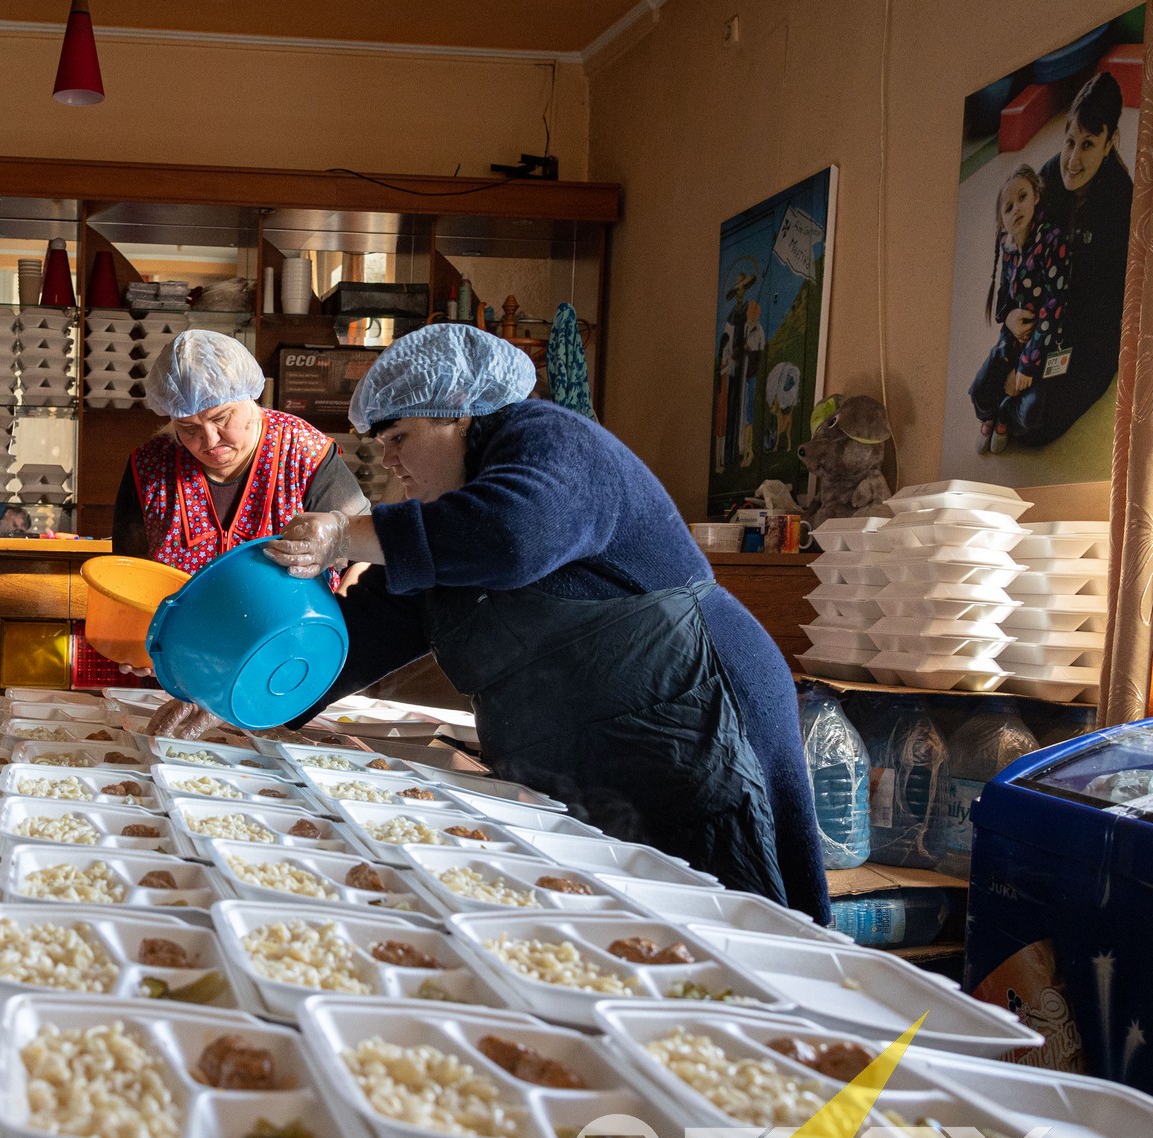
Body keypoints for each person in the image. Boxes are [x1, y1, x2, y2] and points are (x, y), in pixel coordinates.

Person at [152, 323, 830, 921]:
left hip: (700, 716)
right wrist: (239, 696)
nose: (388, 460)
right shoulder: (449, 518)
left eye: (399, 437)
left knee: (728, 921)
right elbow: (363, 634)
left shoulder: (549, 439)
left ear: (459, 413)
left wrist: (344, 535)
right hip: (598, 752)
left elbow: (514, 536)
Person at [111, 330, 367, 572]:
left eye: (221, 418)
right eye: (189, 427)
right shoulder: (151, 465)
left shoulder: (303, 452)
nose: (210, 440)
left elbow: (363, 555)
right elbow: (128, 569)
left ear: (249, 398)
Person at [1003, 71, 1134, 449]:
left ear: (1110, 143)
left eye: (1088, 145)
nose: (1073, 160)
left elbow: (1110, 302)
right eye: (1070, 142)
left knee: (1036, 423)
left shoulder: (1121, 200)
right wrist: (1011, 314)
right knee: (992, 381)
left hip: (1087, 332)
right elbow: (1015, 257)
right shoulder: (1046, 179)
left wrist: (1050, 339)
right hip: (1041, 315)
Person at [970, 166, 1069, 452]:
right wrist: (1009, 318)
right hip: (1011, 337)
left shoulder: (1052, 239)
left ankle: (1004, 417)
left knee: (1031, 412)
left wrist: (1026, 365)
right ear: (1002, 223)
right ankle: (989, 417)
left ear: (1036, 196)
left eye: (1022, 197)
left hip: (1041, 345)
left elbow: (1054, 305)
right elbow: (1005, 295)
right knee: (979, 391)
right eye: (1008, 207)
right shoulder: (1007, 247)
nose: (1017, 209)